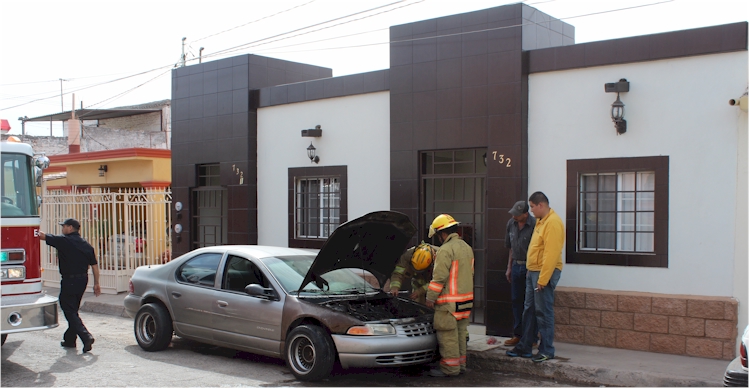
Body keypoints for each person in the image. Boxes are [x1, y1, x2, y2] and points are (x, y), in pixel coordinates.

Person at [506, 192, 564, 363]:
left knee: (543, 312)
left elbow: (551, 254)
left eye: (532, 206)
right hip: (533, 271)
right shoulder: (541, 221)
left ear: (541, 205)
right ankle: (525, 345)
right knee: (529, 309)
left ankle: (546, 350)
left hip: (542, 273)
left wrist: (543, 279)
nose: (530, 210)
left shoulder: (553, 223)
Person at [39, 218, 101, 353]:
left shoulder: (63, 241)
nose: (62, 229)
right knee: (73, 310)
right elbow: (95, 267)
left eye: (64, 226)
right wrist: (96, 283)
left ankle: (86, 336)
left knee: (68, 308)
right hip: (83, 280)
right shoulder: (87, 245)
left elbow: (42, 236)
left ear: (71, 228)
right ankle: (69, 340)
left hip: (69, 281)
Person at [425, 214, 474, 377]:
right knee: (460, 334)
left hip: (449, 303)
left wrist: (430, 298)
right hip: (465, 301)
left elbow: (439, 278)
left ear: (442, 233)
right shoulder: (466, 247)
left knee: (448, 336)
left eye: (438, 236)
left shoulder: (445, 250)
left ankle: (450, 368)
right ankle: (461, 365)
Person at [504, 200, 537, 347]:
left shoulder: (535, 224)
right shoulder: (510, 224)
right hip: (516, 266)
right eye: (513, 214)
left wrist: (532, 268)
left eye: (517, 215)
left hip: (531, 267)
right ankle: (518, 335)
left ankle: (532, 337)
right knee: (516, 301)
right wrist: (509, 267)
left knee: (530, 303)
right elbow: (510, 248)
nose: (514, 217)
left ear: (526, 213)